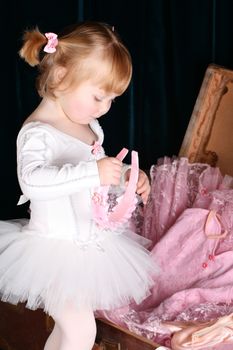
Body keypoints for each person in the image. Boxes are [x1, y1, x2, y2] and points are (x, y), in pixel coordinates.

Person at [0, 21, 157, 350]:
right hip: (52, 252)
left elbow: (97, 183)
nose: (104, 108)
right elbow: (32, 182)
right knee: (81, 331)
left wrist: (126, 176)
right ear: (60, 77)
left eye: (112, 100)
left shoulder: (89, 128)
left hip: (87, 249)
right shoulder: (39, 132)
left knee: (69, 333)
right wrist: (93, 172)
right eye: (99, 96)